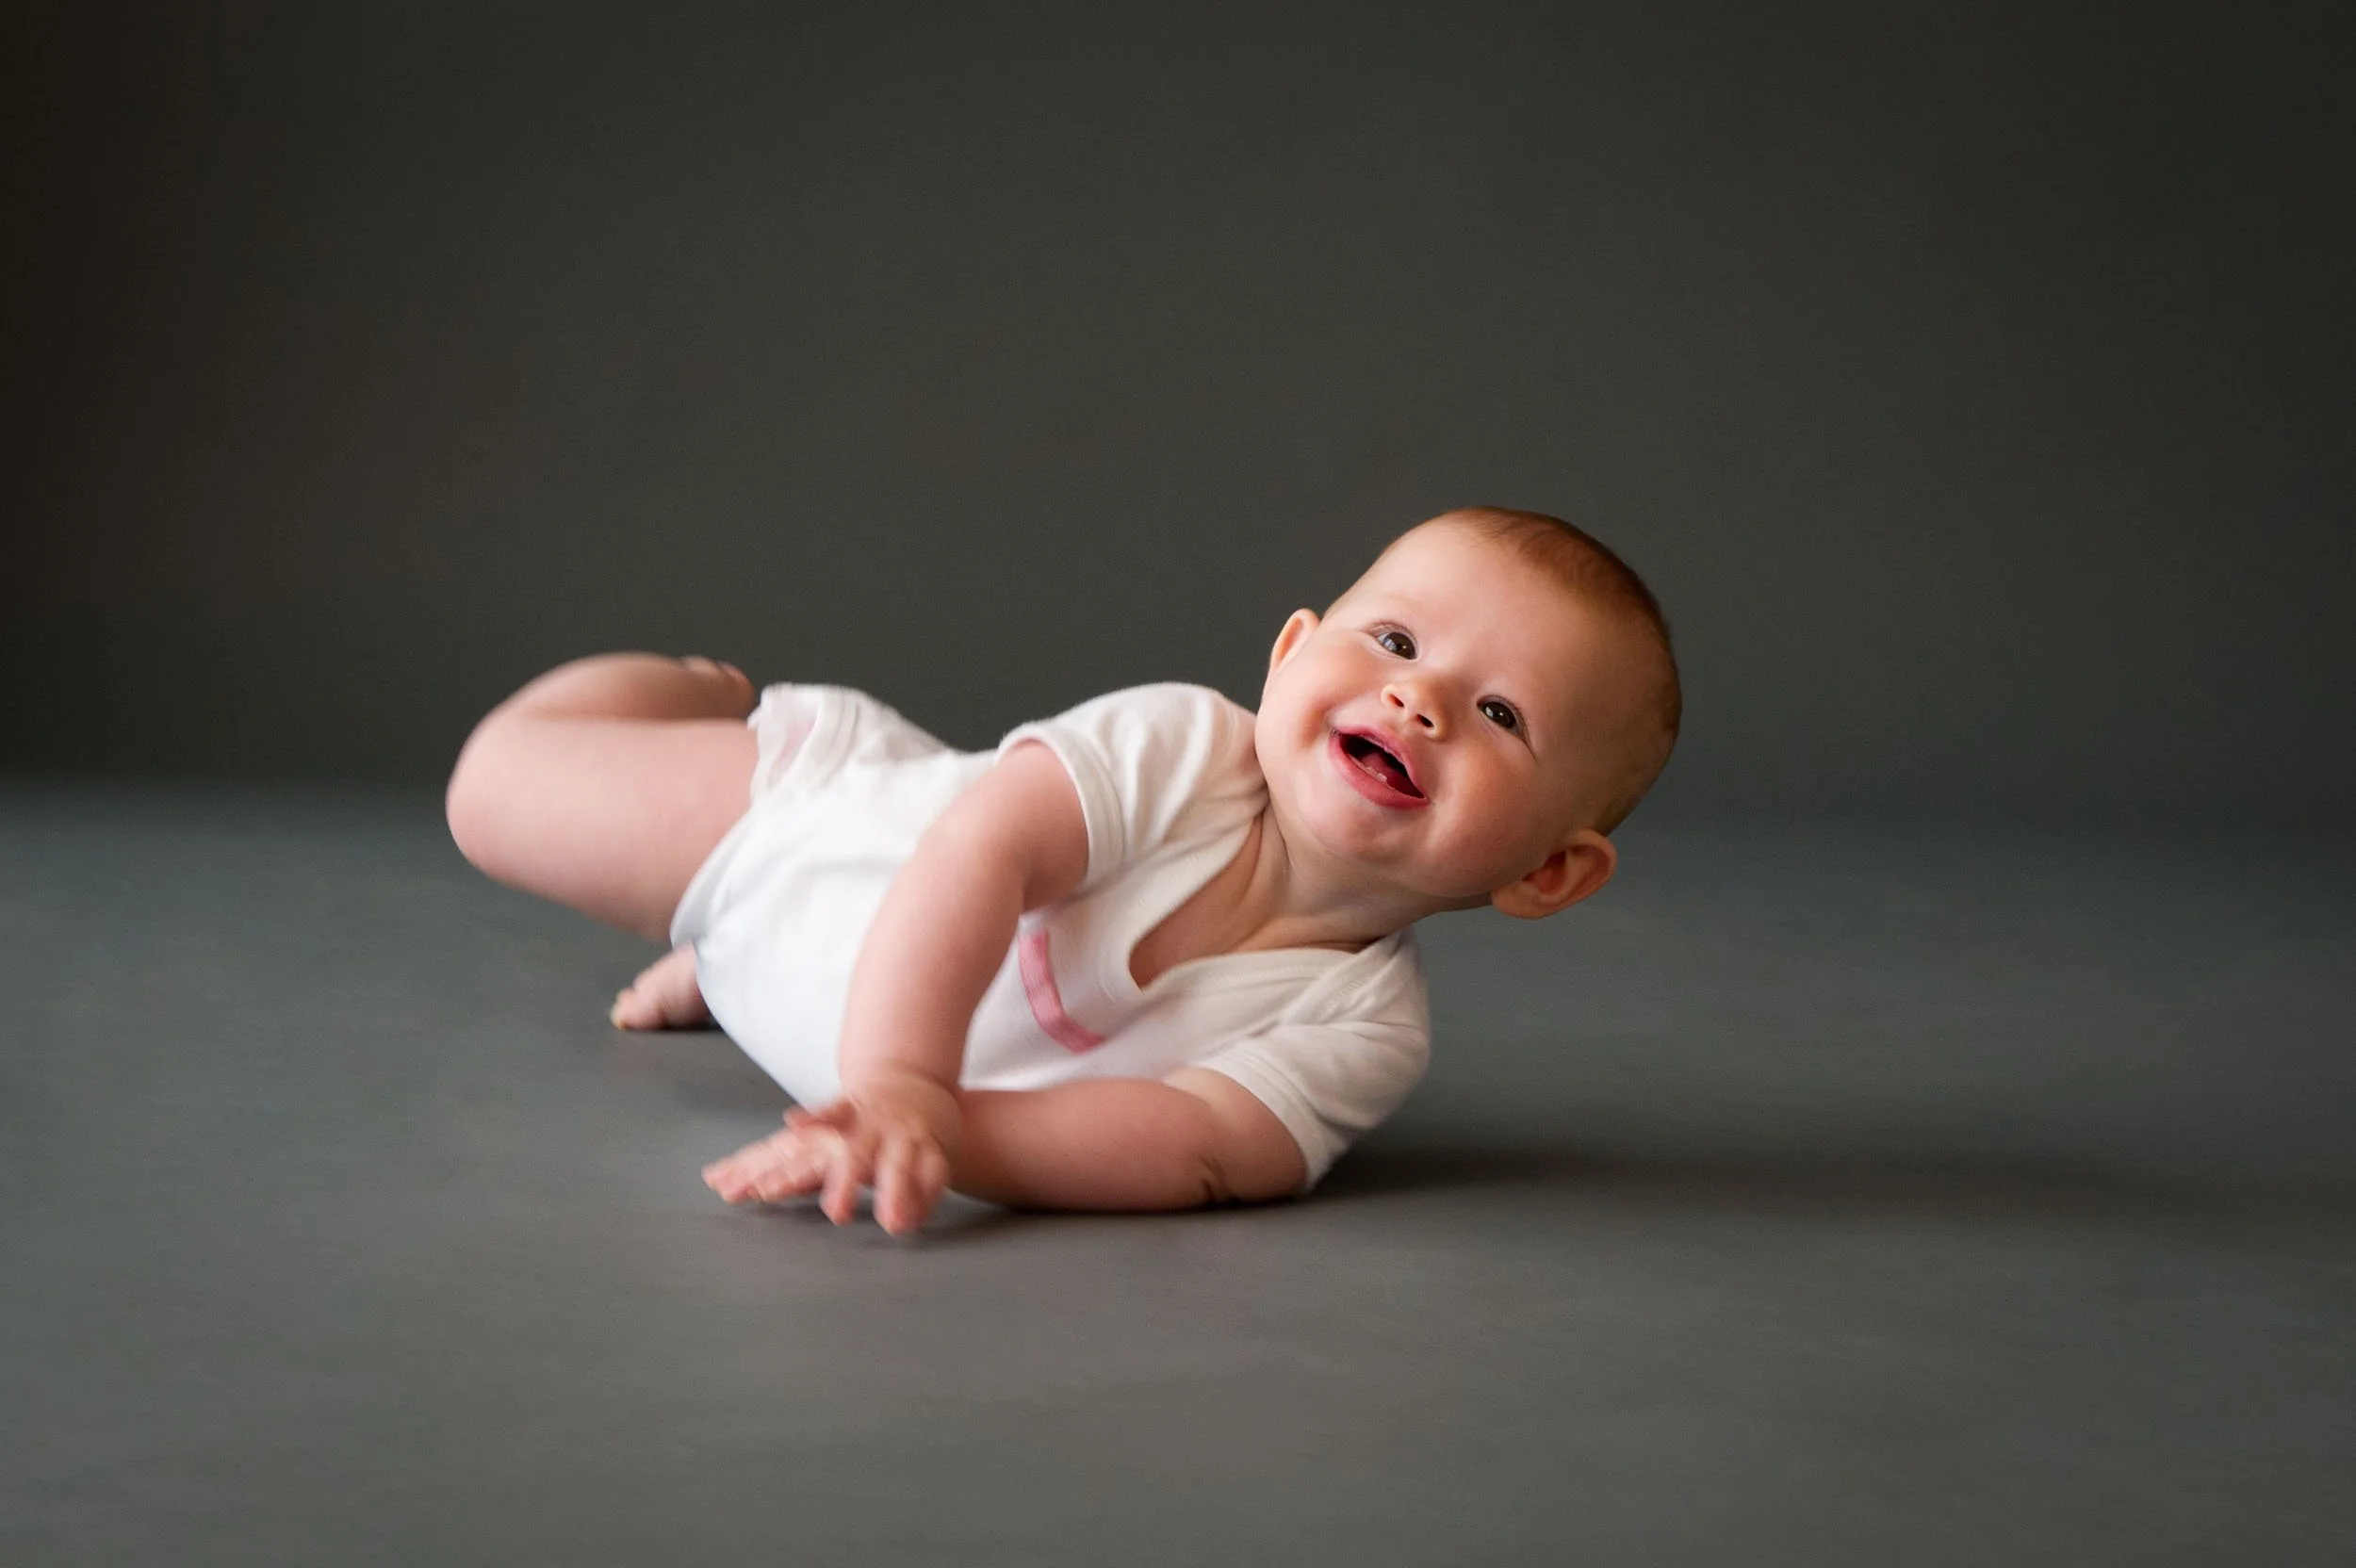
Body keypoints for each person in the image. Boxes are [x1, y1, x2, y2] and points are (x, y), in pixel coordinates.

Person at [444, 507, 1680, 1236]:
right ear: (1292, 655)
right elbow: (981, 849)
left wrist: (938, 1135)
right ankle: (686, 692)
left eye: (1503, 715)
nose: (1418, 700)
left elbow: (1192, 1146)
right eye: (1396, 642)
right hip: (811, 837)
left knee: (754, 968)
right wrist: (900, 1081)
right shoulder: (1188, 745)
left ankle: (724, 981)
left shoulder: (1363, 1027)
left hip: (828, 1015)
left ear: (1551, 874)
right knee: (493, 795)